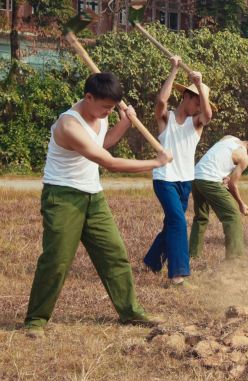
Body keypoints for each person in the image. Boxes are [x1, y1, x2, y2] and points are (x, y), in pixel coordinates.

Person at [24, 72, 173, 338]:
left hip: (93, 195)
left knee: (114, 254)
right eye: (105, 107)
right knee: (56, 260)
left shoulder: (100, 115)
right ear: (88, 97)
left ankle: (130, 310)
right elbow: (109, 162)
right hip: (63, 196)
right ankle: (36, 319)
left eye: (112, 108)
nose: (108, 112)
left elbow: (102, 144)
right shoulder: (69, 126)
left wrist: (125, 123)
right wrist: (156, 162)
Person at [143, 56, 214, 287]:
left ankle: (152, 261)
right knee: (178, 221)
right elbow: (161, 101)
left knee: (171, 224)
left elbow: (208, 115)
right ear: (185, 97)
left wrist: (201, 86)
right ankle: (178, 274)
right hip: (165, 179)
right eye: (196, 102)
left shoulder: (197, 123)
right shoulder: (167, 119)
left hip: (185, 181)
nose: (198, 108)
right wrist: (174, 69)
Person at [189, 133, 248, 260]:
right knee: (232, 216)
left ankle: (193, 254)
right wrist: (241, 203)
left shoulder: (228, 138)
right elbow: (233, 185)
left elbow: (218, 157)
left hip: (196, 177)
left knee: (201, 217)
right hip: (210, 181)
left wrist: (224, 175)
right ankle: (235, 259)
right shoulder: (244, 157)